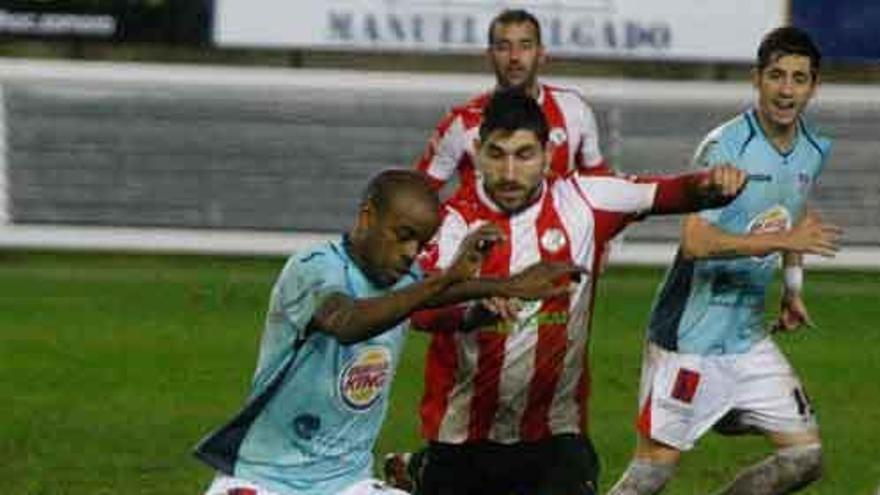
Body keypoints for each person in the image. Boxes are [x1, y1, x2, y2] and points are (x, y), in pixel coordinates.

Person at [399, 89, 746, 495]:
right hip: (461, 435)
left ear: (547, 156)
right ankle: (421, 468)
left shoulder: (585, 201)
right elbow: (419, 311)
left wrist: (713, 184)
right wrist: (472, 311)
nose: (510, 172)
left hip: (556, 433)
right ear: (477, 152)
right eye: (497, 154)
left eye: (525, 155)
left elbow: (667, 193)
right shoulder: (452, 223)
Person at [192, 169, 584, 495]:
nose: (412, 252)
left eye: (422, 242)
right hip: (266, 479)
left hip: (347, 484)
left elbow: (432, 298)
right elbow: (348, 322)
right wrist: (448, 280)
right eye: (404, 235)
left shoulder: (405, 279)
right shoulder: (314, 267)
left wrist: (506, 287)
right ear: (366, 217)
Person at [607, 27, 842, 495]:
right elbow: (696, 241)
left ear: (813, 86)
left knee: (804, 458)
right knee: (651, 474)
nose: (786, 89)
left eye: (799, 78)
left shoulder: (813, 150)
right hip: (688, 339)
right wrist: (783, 241)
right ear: (757, 79)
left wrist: (792, 290)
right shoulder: (726, 148)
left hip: (745, 339)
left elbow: (792, 211)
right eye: (776, 76)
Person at [414, 8, 610, 195]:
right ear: (490, 56)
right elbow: (415, 195)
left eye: (525, 46)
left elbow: (601, 187)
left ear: (541, 54)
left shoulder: (575, 110)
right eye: (503, 47)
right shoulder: (461, 123)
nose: (515, 57)